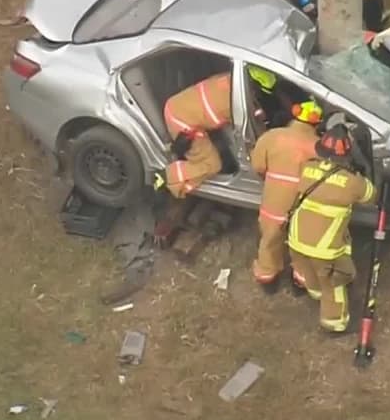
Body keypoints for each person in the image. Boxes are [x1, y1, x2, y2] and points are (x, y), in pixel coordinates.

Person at [286, 125, 376, 333]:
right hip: (324, 250)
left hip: (296, 240)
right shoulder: (354, 183)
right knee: (334, 282)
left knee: (310, 272)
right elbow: (372, 196)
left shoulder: (306, 168)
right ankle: (335, 324)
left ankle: (315, 292)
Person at [154, 67, 276, 197]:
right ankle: (168, 177)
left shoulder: (233, 79)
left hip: (178, 106)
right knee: (212, 165)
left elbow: (252, 108)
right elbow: (249, 123)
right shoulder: (231, 103)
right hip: (183, 123)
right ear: (254, 85)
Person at [249, 101, 323, 291]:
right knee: (302, 247)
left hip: (274, 204)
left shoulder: (271, 137)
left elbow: (258, 166)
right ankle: (300, 281)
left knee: (270, 240)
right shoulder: (320, 148)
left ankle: (268, 279)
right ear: (317, 124)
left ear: (294, 116)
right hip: (303, 209)